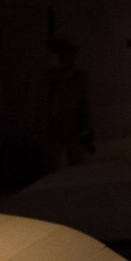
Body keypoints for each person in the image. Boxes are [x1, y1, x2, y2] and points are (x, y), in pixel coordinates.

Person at [40, 37, 94, 175]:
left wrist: (85, 129)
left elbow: (83, 105)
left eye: (54, 54)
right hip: (53, 126)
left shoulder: (77, 78)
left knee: (76, 165)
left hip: (73, 126)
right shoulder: (48, 77)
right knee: (51, 165)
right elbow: (43, 104)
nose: (51, 58)